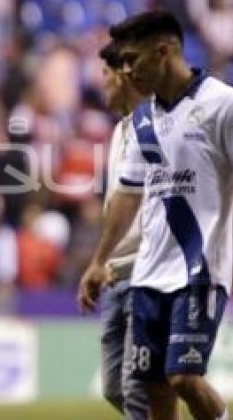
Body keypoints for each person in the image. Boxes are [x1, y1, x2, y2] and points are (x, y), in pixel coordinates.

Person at [78, 11, 233, 420]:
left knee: (183, 377)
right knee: (153, 388)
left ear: (164, 52)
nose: (127, 70)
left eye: (133, 59)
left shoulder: (223, 103)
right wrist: (99, 261)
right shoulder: (144, 119)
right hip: (148, 276)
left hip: (198, 271)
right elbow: (127, 195)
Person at [97, 40, 149, 418]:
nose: (102, 85)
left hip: (148, 271)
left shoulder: (158, 126)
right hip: (115, 273)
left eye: (105, 76)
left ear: (123, 75)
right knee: (114, 388)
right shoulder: (119, 132)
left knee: (138, 389)